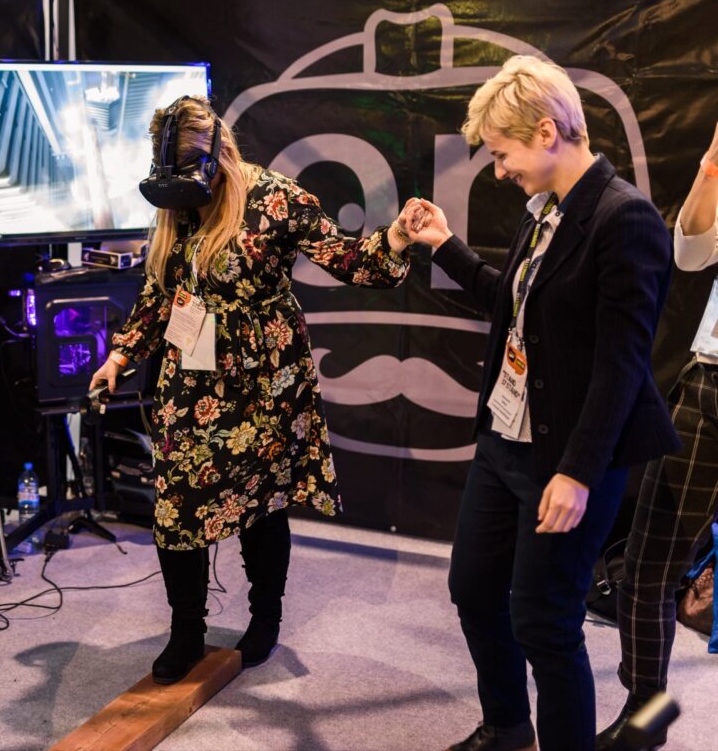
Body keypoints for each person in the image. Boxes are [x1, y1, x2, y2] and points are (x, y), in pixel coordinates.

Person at [402, 55, 680, 751]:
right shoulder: (549, 210)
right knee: (473, 589)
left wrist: (579, 472)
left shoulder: (626, 220)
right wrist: (445, 246)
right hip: (506, 440)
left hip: (570, 455)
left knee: (546, 622)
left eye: (502, 153)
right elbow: (517, 307)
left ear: (549, 131)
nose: (498, 169)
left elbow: (622, 364)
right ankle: (506, 726)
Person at [89, 95, 414, 684]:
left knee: (262, 504)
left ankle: (266, 618)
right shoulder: (178, 203)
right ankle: (186, 629)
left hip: (265, 380)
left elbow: (348, 262)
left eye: (190, 167)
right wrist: (121, 353)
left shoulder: (277, 198)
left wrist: (394, 239)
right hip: (192, 374)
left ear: (219, 151)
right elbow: (159, 290)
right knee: (177, 504)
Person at [596, 122, 718, 750]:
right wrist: (711, 165)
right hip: (709, 386)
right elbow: (691, 251)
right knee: (648, 566)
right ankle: (646, 714)